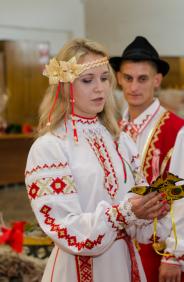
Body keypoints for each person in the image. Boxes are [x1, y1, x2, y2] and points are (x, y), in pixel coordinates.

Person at [25, 38, 170, 282]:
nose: (100, 88)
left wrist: (150, 210)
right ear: (65, 85)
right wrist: (122, 213)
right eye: (87, 80)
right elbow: (64, 227)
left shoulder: (119, 140)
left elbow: (136, 209)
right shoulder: (50, 147)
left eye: (104, 78)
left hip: (125, 264)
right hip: (77, 268)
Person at [110, 36, 184, 282]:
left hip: (159, 250)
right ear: (119, 79)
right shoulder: (114, 131)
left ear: (157, 81)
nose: (134, 87)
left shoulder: (175, 130)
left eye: (143, 79)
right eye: (128, 78)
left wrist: (175, 253)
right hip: (120, 250)